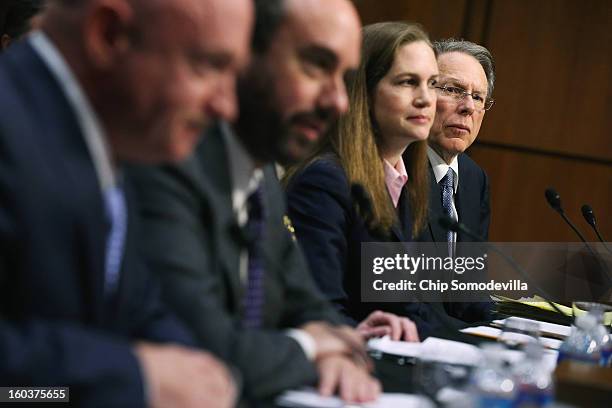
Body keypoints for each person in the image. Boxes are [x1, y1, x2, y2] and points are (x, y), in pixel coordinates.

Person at [128, 0, 388, 403]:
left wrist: (338, 350)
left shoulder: (262, 176)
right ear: (243, 55)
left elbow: (312, 305)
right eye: (316, 65)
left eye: (346, 77)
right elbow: (205, 353)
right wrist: (311, 348)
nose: (338, 100)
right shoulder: (172, 160)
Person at [0, 0, 252, 407]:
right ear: (108, 37)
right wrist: (131, 379)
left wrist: (208, 379)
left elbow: (138, 308)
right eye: (209, 65)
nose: (226, 106)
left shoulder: (111, 139)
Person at [284, 22, 437, 337]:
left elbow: (412, 308)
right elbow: (322, 310)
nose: (425, 98)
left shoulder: (406, 186)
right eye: (408, 82)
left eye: (432, 83)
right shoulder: (325, 181)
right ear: (363, 92)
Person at [412, 39, 495, 330]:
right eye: (453, 90)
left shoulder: (474, 178)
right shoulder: (398, 167)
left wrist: (515, 329)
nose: (468, 107)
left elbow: (469, 289)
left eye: (478, 97)